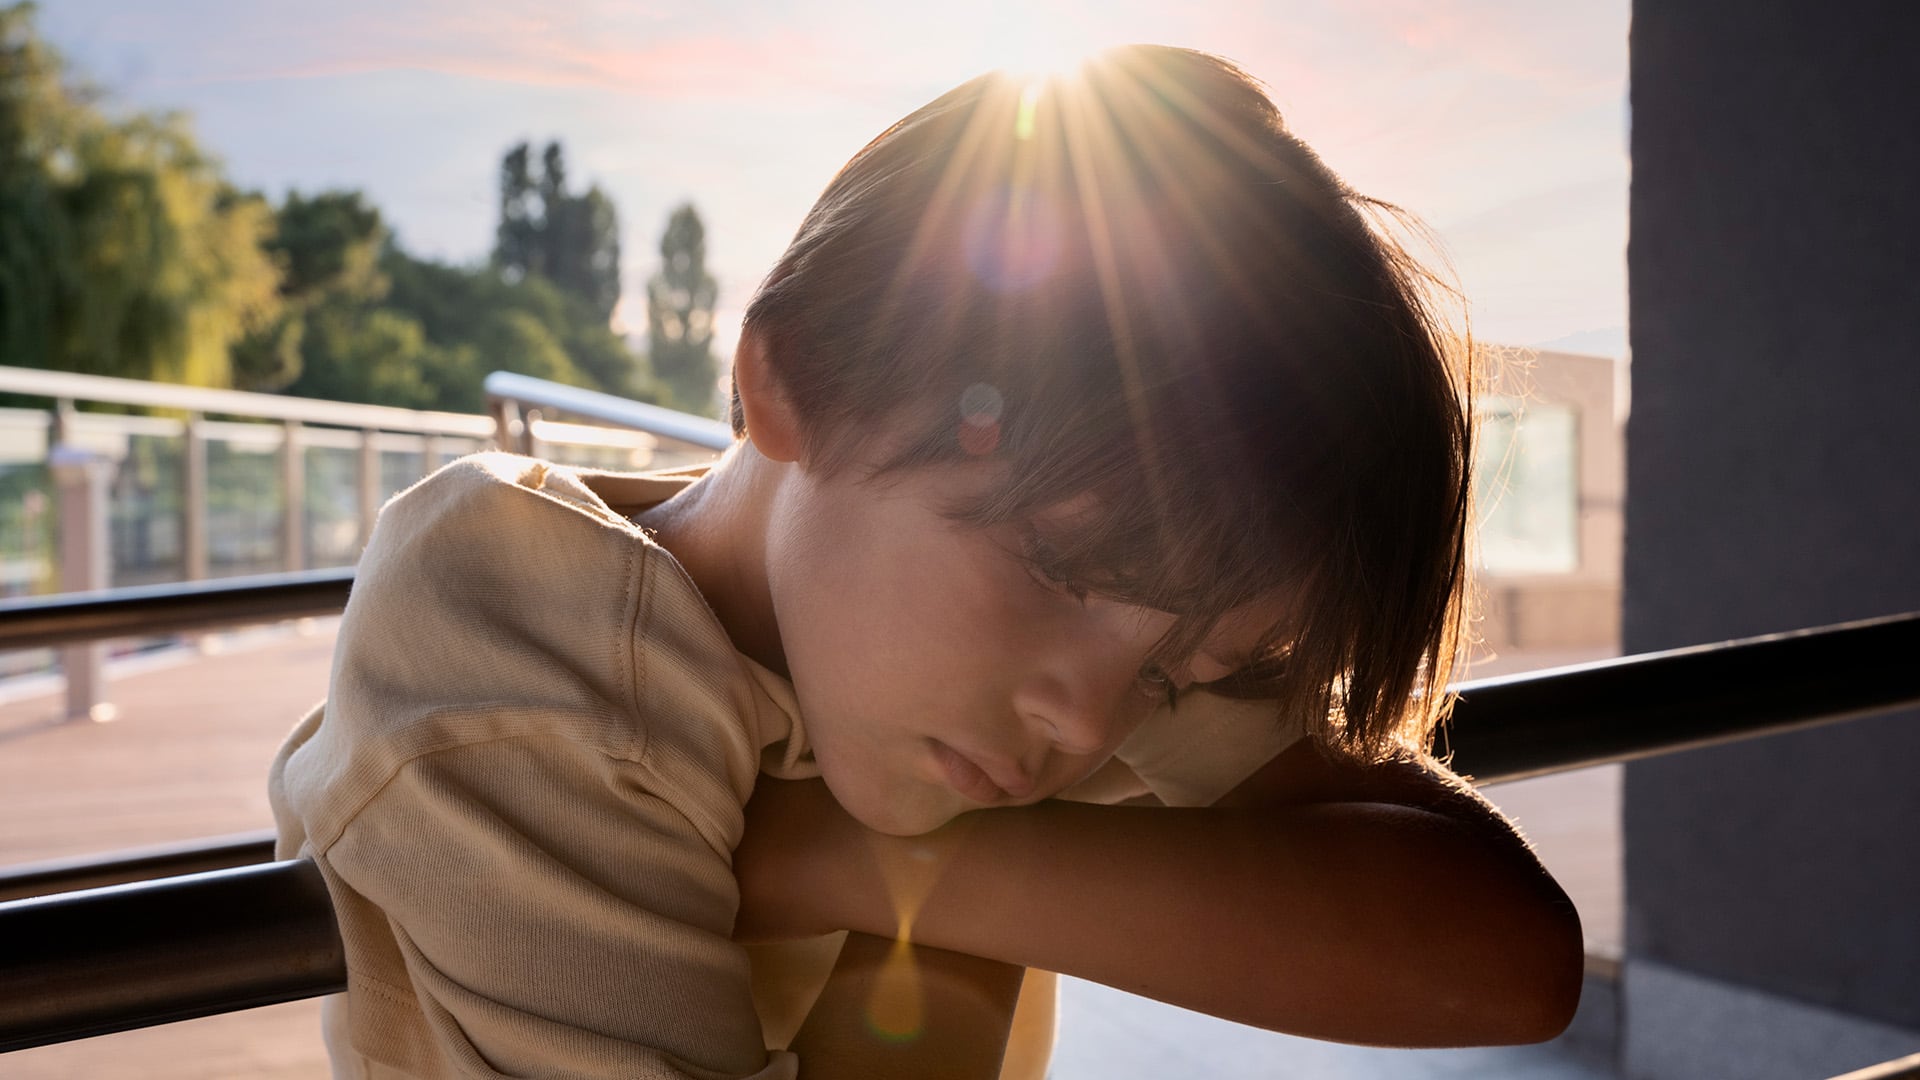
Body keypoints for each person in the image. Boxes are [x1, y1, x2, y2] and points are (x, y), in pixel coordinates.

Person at [270, 44, 1583, 1079]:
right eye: (1057, 571)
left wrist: (877, 864)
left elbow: (1508, 959)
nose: (1088, 721)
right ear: (792, 381)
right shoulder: (524, 637)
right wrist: (981, 912)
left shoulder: (1064, 655)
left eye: (1188, 677)